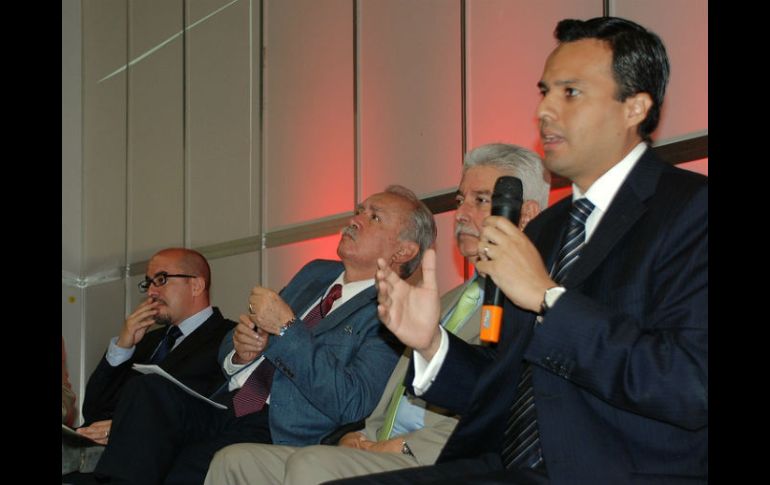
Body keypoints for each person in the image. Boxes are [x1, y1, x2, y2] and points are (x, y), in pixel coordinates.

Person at [364, 16, 707, 484]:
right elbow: (503, 385)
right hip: (506, 465)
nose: (544, 110)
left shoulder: (692, 211)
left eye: (570, 92)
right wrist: (429, 342)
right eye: (544, 91)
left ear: (635, 107)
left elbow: (688, 385)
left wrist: (549, 298)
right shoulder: (545, 229)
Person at [204, 143, 550, 485]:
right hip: (367, 440)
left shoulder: (534, 306)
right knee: (234, 461)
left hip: (439, 458)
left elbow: (508, 410)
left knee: (311, 464)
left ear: (526, 214)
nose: (460, 214)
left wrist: (403, 447)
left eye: (481, 200)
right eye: (460, 200)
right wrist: (356, 436)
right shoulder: (444, 302)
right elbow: (394, 397)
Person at [92, 185, 436, 485]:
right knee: (149, 390)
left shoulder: (394, 310)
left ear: (403, 251)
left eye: (374, 217)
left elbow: (353, 401)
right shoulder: (315, 273)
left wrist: (287, 328)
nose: (355, 219)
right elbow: (245, 334)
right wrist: (240, 350)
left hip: (281, 427)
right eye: (359, 209)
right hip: (225, 403)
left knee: (191, 466)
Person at [76, 248, 236, 443]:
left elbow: (213, 415)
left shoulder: (231, 339)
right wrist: (122, 347)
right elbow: (93, 410)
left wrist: (124, 427)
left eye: (161, 280)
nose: (151, 292)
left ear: (196, 285)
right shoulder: (146, 340)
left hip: (168, 462)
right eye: (149, 283)